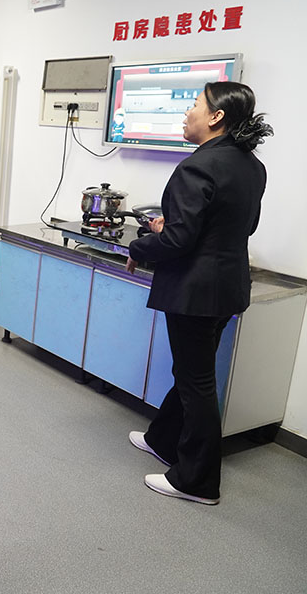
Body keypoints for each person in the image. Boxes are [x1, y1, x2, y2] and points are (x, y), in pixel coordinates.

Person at [125, 81, 271, 505]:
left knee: (197, 382)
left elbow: (178, 241)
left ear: (216, 117)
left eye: (194, 104)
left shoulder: (198, 166)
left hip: (195, 290)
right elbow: (239, 227)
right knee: (193, 373)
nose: (186, 112)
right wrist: (170, 227)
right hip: (227, 287)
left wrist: (139, 245)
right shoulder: (252, 166)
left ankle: (197, 481)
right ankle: (164, 439)